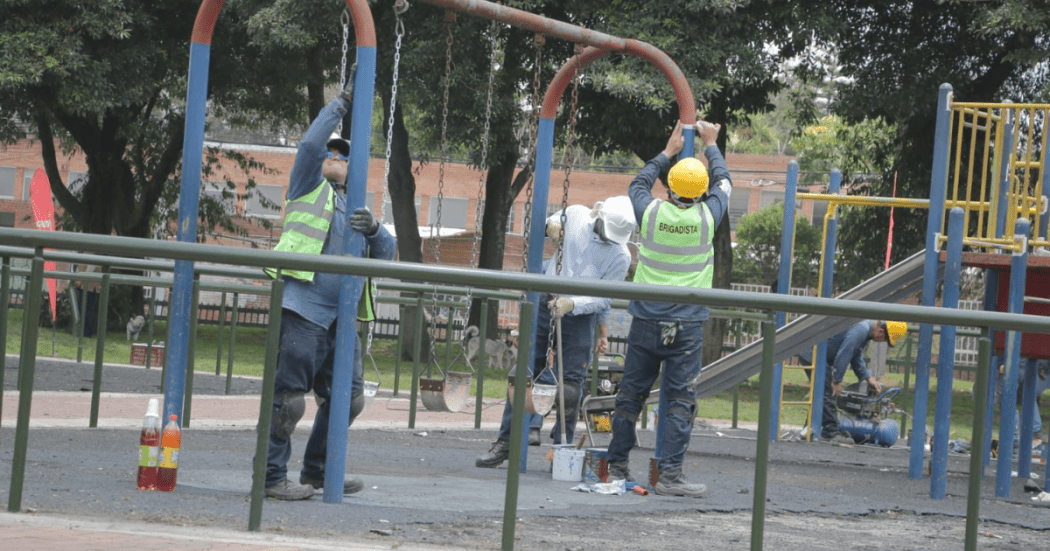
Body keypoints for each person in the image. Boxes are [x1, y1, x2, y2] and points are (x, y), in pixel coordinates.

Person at [262, 74, 397, 500]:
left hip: (343, 315)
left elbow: (388, 253)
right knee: (289, 401)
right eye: (332, 152)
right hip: (305, 307)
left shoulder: (356, 204)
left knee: (349, 399)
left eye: (344, 154)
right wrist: (341, 102)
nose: (337, 155)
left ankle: (317, 470)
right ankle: (269, 477)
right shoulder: (307, 184)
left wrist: (375, 229)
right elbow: (308, 146)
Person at [604, 120, 731, 498]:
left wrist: (668, 152)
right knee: (679, 400)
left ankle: (617, 466)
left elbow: (637, 185)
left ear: (670, 188)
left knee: (631, 396)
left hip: (645, 320)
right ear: (701, 191)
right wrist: (712, 145)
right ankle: (670, 476)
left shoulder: (652, 213)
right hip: (687, 326)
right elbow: (724, 183)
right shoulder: (709, 217)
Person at [475, 196, 635, 468]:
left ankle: (562, 452)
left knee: (571, 387)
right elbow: (550, 223)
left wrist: (573, 303)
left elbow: (604, 297)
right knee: (523, 375)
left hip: (579, 316)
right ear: (599, 217)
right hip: (544, 303)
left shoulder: (620, 255)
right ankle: (506, 442)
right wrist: (551, 228)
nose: (610, 238)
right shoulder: (575, 216)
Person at [799, 320, 906, 443]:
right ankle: (831, 432)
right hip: (813, 352)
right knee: (827, 391)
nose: (882, 342)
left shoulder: (865, 330)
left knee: (821, 392)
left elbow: (855, 355)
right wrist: (836, 381)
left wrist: (868, 377)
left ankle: (808, 430)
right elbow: (845, 352)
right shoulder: (861, 329)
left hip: (818, 352)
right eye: (884, 339)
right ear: (880, 332)